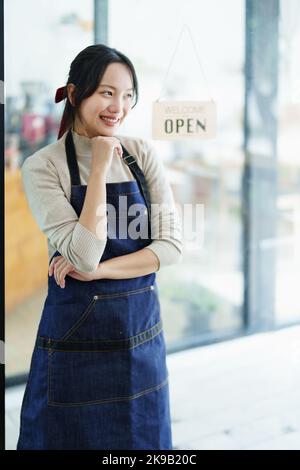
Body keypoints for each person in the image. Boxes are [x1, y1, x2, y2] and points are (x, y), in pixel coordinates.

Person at [17, 44, 183, 450]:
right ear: (75, 94)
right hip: (76, 343)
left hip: (141, 337)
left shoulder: (141, 154)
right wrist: (97, 166)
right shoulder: (43, 166)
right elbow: (85, 251)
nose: (119, 107)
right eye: (107, 93)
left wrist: (102, 271)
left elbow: (172, 247)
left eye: (127, 96)